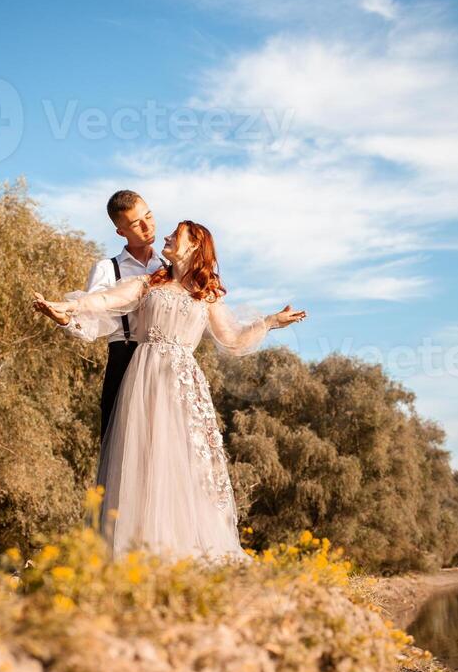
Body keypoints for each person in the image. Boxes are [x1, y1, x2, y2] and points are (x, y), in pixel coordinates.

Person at [33, 220, 306, 566]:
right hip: (144, 378)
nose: (165, 236)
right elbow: (103, 300)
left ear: (194, 246)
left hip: (183, 383)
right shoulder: (147, 283)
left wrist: (269, 322)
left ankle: (182, 548)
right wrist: (66, 307)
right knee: (143, 456)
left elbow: (233, 340)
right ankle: (138, 548)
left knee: (184, 460)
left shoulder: (207, 295)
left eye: (175, 235)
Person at [56, 190, 167, 442]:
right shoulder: (108, 268)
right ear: (121, 232)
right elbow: (92, 321)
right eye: (137, 224)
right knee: (122, 444)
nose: (147, 226)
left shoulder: (169, 267)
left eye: (149, 216)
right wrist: (65, 319)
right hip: (125, 358)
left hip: (165, 362)